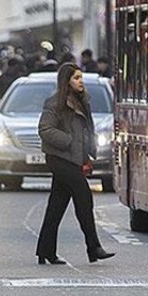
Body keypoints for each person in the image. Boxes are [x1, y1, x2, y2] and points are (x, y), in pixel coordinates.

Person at [35, 64, 115, 265]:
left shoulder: (82, 101)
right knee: (84, 197)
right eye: (76, 78)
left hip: (74, 158)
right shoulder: (55, 103)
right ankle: (93, 247)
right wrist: (69, 141)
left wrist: (88, 153)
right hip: (59, 158)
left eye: (81, 77)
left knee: (57, 205)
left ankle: (45, 250)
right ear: (67, 81)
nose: (81, 81)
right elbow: (45, 129)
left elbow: (87, 129)